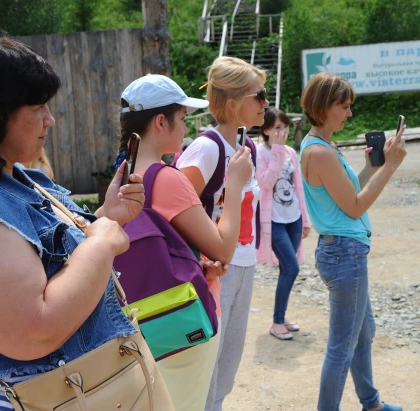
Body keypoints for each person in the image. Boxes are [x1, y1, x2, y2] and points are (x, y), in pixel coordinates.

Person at [0, 36, 145, 409]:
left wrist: (106, 217)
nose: (49, 120)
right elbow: (32, 333)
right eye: (38, 108)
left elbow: (48, 262)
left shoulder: (12, 178)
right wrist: (102, 242)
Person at [116, 73, 253, 410]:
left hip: (141, 320)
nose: (186, 129)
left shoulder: (122, 175)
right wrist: (234, 186)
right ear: (160, 122)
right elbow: (223, 249)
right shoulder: (166, 178)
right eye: (182, 119)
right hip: (183, 320)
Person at [300, 72, 406, 411]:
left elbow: (348, 195)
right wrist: (389, 167)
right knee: (342, 346)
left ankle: (371, 403)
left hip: (341, 251)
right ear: (323, 107)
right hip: (344, 254)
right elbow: (356, 205)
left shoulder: (320, 145)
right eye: (344, 107)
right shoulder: (320, 152)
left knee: (363, 332)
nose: (349, 114)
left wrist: (370, 167)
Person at [176, 56, 268, 411]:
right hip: (213, 273)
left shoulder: (248, 149)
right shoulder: (207, 147)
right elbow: (172, 205)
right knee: (207, 372)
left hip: (243, 263)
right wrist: (200, 258)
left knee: (226, 372)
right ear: (232, 104)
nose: (265, 103)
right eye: (258, 96)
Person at [255, 109, 311, 340]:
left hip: (294, 218)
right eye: (277, 128)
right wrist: (276, 152)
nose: (283, 132)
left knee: (286, 269)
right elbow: (266, 184)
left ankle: (281, 316)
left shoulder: (291, 152)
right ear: (266, 130)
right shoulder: (259, 152)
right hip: (274, 221)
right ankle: (277, 322)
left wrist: (305, 219)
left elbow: (299, 187)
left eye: (285, 127)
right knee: (291, 268)